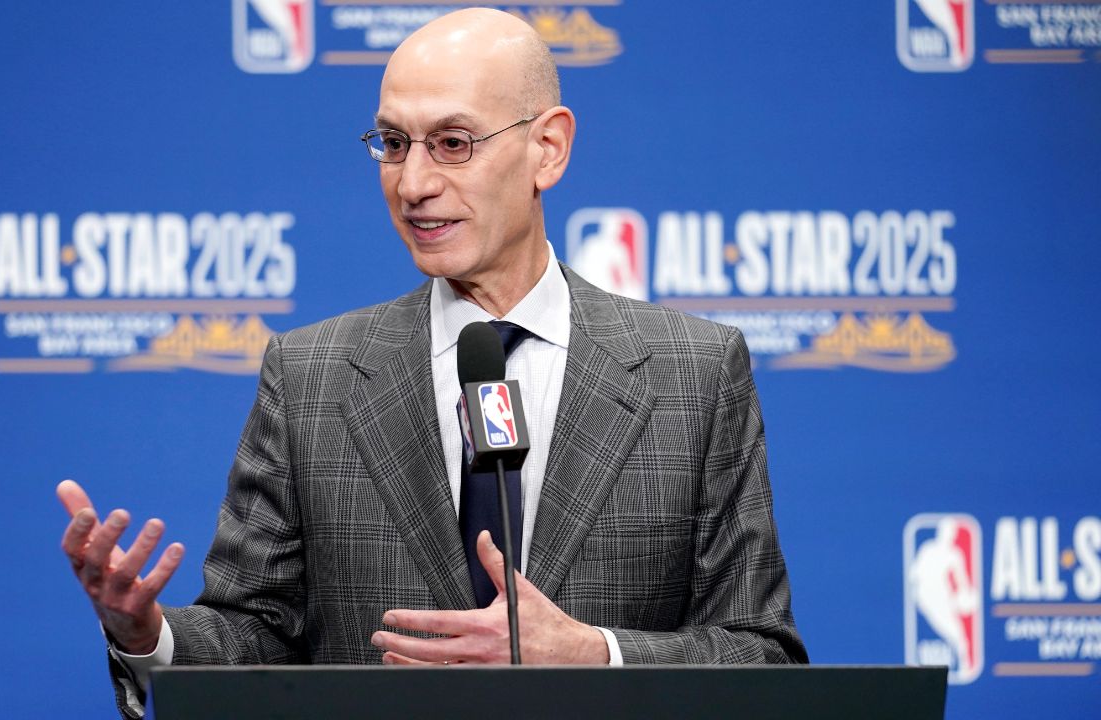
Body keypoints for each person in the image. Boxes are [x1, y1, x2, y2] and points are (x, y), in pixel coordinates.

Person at [58, 8, 807, 717]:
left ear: (548, 148)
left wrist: (595, 654)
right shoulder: (310, 375)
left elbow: (762, 656)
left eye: (452, 142)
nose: (413, 183)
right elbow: (256, 637)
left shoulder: (694, 372)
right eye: (393, 143)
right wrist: (147, 635)